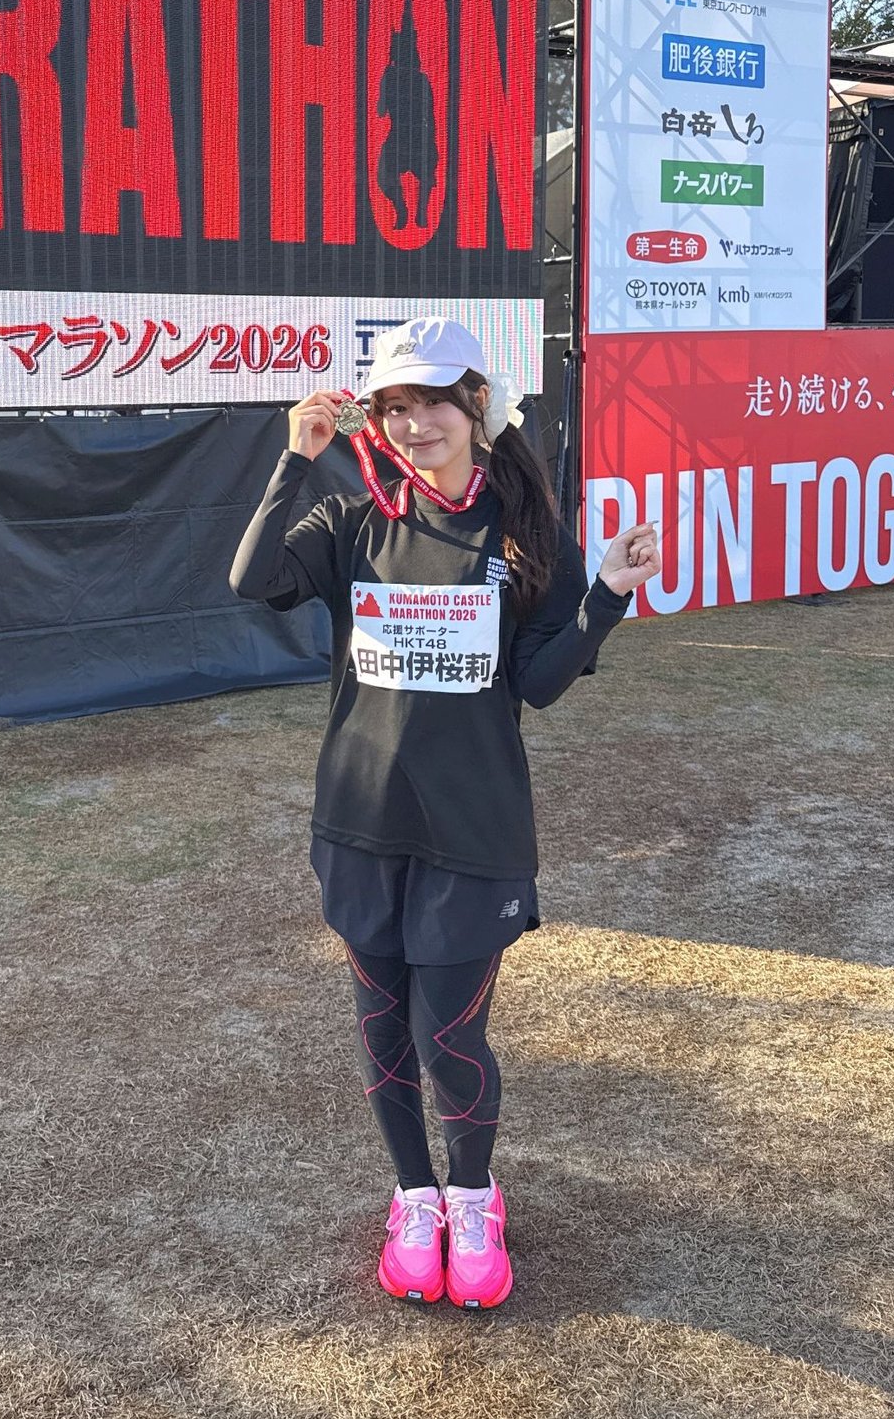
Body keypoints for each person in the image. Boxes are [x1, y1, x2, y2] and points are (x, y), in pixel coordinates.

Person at [229, 317, 660, 1309]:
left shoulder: (526, 534)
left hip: (474, 833)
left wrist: (604, 595)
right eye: (393, 407)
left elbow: (538, 685)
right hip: (359, 820)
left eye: (432, 402)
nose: (414, 423)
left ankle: (472, 1196)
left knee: (448, 1040)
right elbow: (253, 579)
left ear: (476, 407)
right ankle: (412, 1197)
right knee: (382, 1031)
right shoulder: (350, 519)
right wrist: (294, 461)